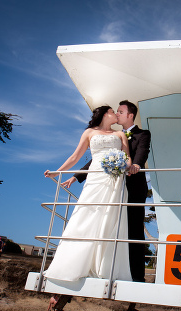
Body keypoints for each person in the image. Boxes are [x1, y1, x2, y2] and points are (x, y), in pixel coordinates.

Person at [64, 100, 151, 283]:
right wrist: (77, 176)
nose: (117, 114)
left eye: (120, 111)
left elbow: (142, 152)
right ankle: (101, 266)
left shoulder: (142, 134)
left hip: (133, 187)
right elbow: (99, 158)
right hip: (111, 187)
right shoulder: (113, 134)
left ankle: (136, 277)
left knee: (134, 231)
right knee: (106, 226)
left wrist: (136, 164)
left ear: (130, 115)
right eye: (116, 111)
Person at [44, 105, 133, 281]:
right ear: (104, 114)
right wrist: (58, 171)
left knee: (110, 216)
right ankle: (74, 263)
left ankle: (104, 266)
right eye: (112, 112)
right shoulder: (89, 133)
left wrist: (126, 165)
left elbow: (127, 157)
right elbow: (75, 157)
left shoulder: (120, 134)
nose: (115, 114)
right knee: (87, 213)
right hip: (95, 178)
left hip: (115, 179)